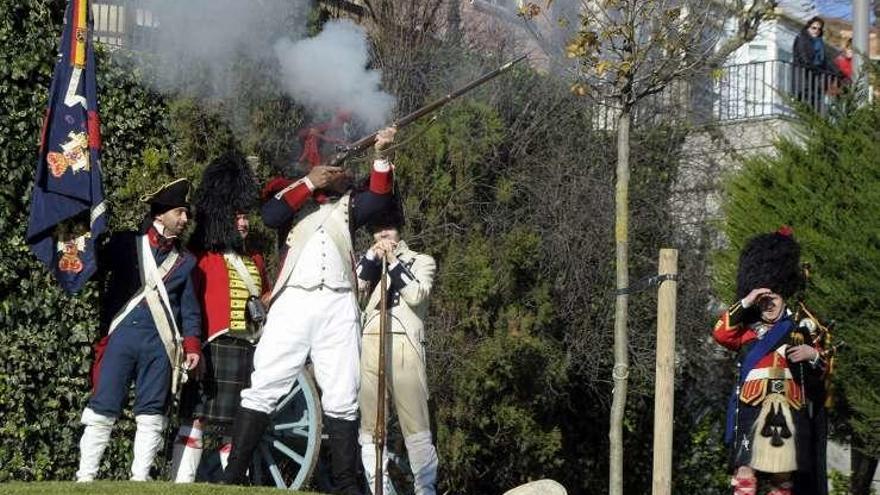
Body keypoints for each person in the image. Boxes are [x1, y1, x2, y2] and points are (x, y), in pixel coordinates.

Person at [222, 127, 398, 495]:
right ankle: (232, 477)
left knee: (342, 394)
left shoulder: (349, 204)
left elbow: (380, 201)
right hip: (294, 301)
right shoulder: (291, 196)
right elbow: (270, 215)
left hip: (338, 303)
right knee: (265, 385)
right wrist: (308, 180)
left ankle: (347, 483)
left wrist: (381, 155)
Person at [75, 179, 201, 482]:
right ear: (161, 214)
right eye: (180, 212)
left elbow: (190, 308)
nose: (185, 220)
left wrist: (193, 345)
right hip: (121, 337)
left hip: (160, 345)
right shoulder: (124, 244)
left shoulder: (185, 261)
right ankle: (84, 478)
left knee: (151, 413)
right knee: (103, 407)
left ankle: (140, 480)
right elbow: (90, 262)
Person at [169, 153, 271, 482]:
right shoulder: (201, 257)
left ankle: (231, 484)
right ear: (221, 217)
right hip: (212, 346)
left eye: (245, 217)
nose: (244, 223)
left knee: (237, 426)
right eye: (237, 216)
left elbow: (266, 295)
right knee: (197, 418)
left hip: (250, 347)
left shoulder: (255, 258)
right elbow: (188, 306)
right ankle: (181, 484)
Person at [714, 228, 826, 495]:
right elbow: (721, 334)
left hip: (789, 404)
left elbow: (824, 368)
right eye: (763, 301)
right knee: (744, 471)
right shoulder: (747, 329)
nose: (768, 305)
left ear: (783, 293)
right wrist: (747, 300)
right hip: (751, 403)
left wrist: (812, 355)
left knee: (782, 477)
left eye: (772, 298)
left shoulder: (803, 326)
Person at [356, 204, 439, 495]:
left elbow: (416, 294)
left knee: (415, 423)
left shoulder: (421, 260)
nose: (382, 234)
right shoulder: (368, 263)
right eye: (377, 230)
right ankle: (379, 488)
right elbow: (352, 289)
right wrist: (370, 259)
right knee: (370, 423)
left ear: (398, 230)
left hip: (404, 342)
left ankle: (425, 489)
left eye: (387, 227)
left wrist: (392, 261)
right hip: (370, 340)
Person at [792, 16, 839, 110]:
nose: (816, 30)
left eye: (819, 29)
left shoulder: (820, 43)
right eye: (814, 28)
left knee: (816, 103)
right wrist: (810, 66)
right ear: (808, 28)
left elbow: (826, 61)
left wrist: (837, 72)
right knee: (804, 102)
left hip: (816, 79)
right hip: (803, 76)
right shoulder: (801, 39)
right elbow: (802, 56)